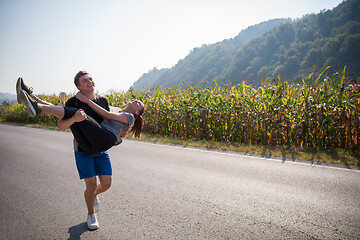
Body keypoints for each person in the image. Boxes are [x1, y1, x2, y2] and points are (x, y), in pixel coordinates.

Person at [16, 72, 144, 230]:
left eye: (90, 79)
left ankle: (36, 106)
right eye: (85, 80)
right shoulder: (75, 102)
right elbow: (60, 124)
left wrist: (120, 133)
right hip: (84, 147)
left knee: (106, 184)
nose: (90, 81)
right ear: (79, 87)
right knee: (77, 116)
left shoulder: (104, 102)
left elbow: (107, 116)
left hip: (101, 146)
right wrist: (73, 119)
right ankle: (91, 214)